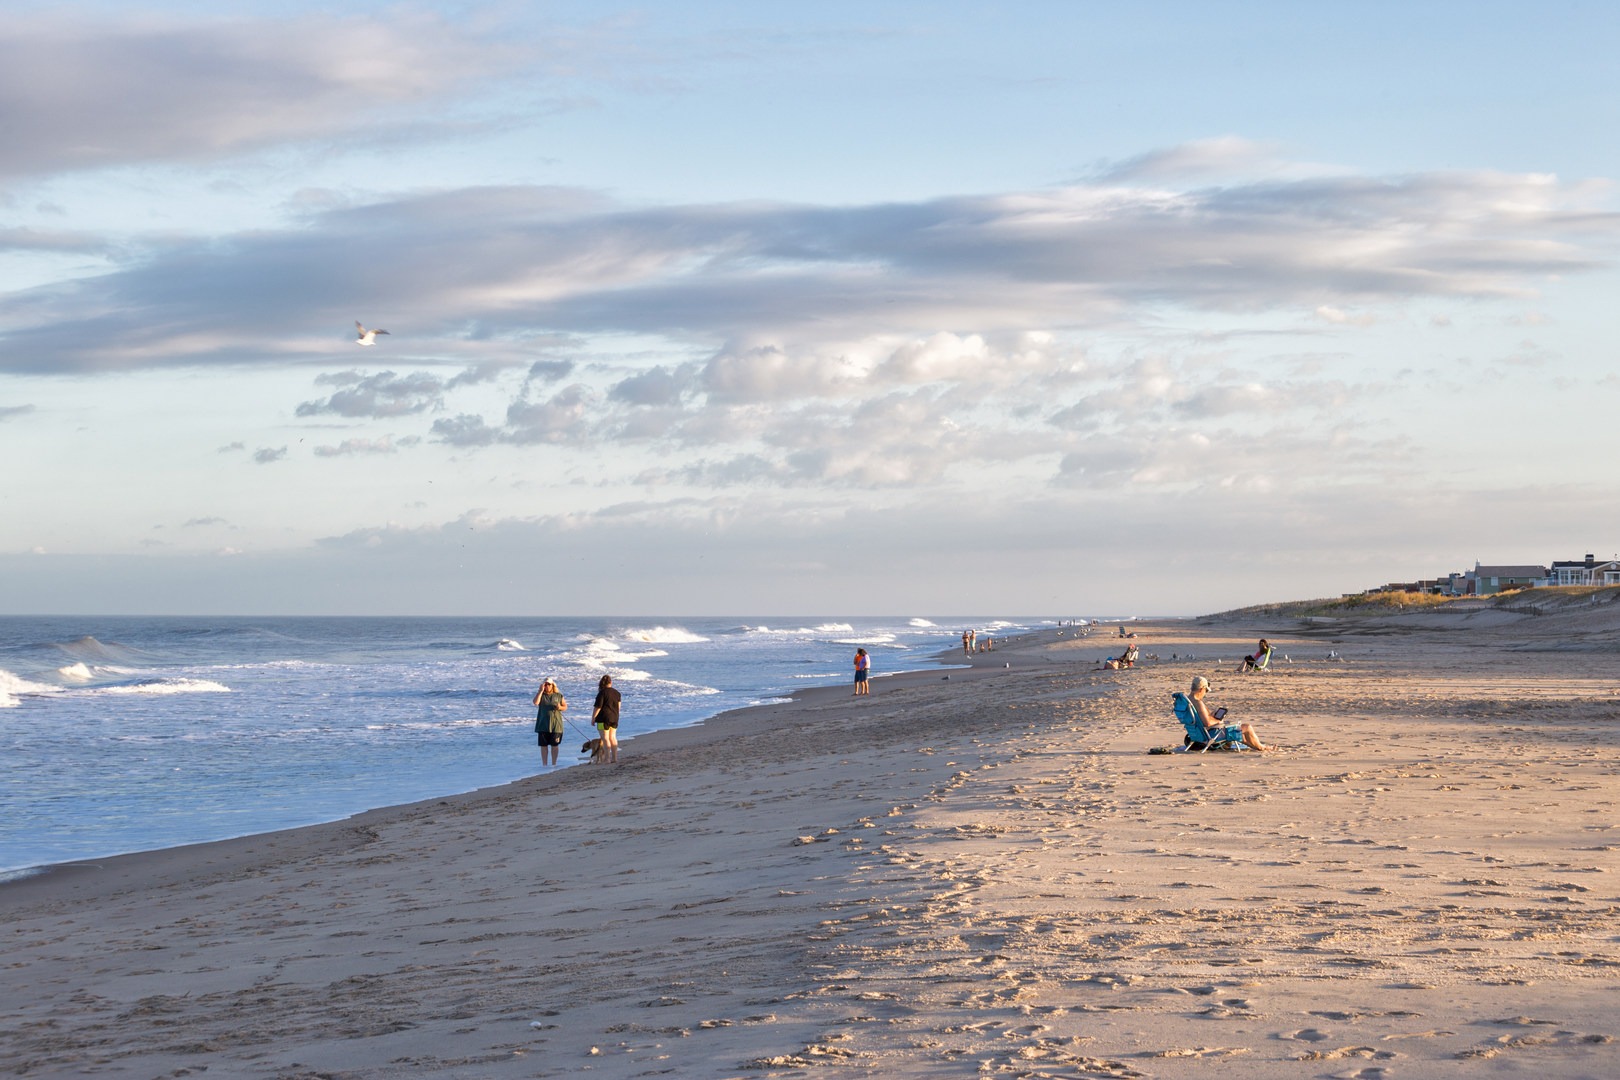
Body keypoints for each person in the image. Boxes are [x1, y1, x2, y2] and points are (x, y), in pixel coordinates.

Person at [1187, 675, 1271, 751]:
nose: (1205, 693)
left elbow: (1198, 719)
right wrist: (1219, 720)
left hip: (1195, 734)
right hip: (1209, 735)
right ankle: (1261, 747)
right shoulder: (1198, 703)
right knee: (1247, 727)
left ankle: (1259, 747)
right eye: (1206, 691)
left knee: (1241, 734)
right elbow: (1207, 723)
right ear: (1201, 689)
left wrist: (1211, 715)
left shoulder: (1186, 701)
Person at [531, 678, 567, 766]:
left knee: (554, 745)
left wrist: (560, 708)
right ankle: (544, 764)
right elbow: (535, 702)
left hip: (556, 724)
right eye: (545, 684)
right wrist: (540, 691)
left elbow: (565, 706)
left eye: (549, 684)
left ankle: (554, 764)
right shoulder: (541, 695)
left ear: (552, 685)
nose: (547, 686)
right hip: (543, 724)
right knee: (543, 746)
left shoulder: (558, 695)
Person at [592, 674, 622, 764]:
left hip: (603, 718)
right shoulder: (617, 693)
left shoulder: (602, 693)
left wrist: (593, 718)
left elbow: (598, 707)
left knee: (605, 739)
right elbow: (618, 707)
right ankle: (614, 758)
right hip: (614, 717)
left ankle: (607, 759)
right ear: (611, 682)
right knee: (613, 737)